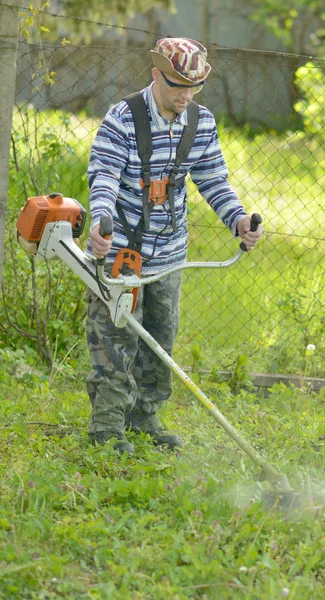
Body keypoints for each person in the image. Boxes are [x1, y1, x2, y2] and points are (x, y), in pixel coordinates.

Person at [85, 37, 264, 455]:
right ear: (155, 75)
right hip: (121, 251)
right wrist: (99, 223)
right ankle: (106, 429)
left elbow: (214, 179)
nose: (186, 95)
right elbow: (104, 176)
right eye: (177, 86)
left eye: (194, 87)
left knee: (160, 340)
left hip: (169, 251)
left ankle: (145, 417)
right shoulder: (123, 119)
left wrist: (237, 220)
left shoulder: (200, 122)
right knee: (115, 339)